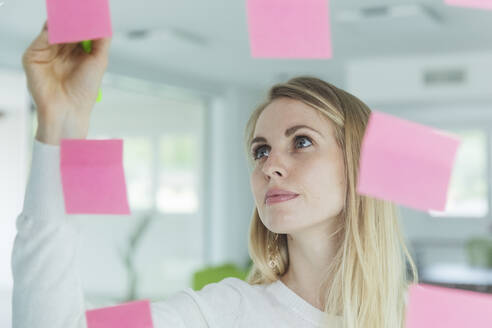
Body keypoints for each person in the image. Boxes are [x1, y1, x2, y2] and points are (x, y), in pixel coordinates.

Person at [12, 22, 418, 328]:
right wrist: (62, 124)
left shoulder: (421, 315)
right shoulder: (223, 311)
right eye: (261, 150)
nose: (269, 166)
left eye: (302, 142)